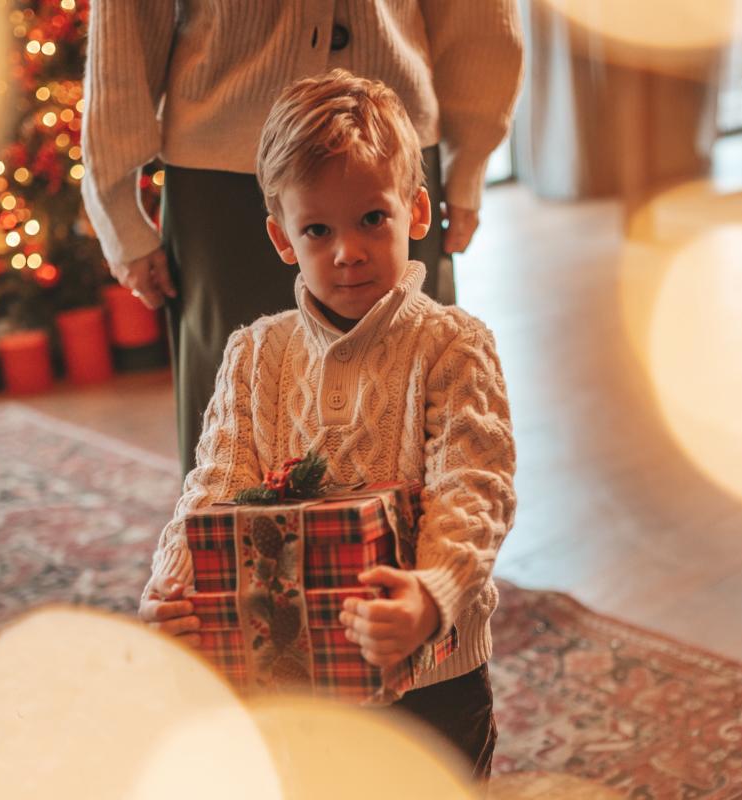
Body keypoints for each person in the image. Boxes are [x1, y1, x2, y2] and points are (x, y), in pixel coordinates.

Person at [135, 71, 517, 783]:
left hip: (431, 678)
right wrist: (175, 583)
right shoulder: (255, 354)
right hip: (294, 672)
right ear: (283, 238)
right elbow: (216, 483)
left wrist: (430, 593)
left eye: (372, 218)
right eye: (319, 229)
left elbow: (476, 489)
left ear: (418, 210)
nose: (347, 251)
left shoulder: (453, 345)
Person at [82, 1, 523, 477]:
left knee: (421, 438)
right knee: (234, 459)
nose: (345, 254)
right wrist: (116, 204)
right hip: (222, 175)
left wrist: (471, 157)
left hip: (391, 150)